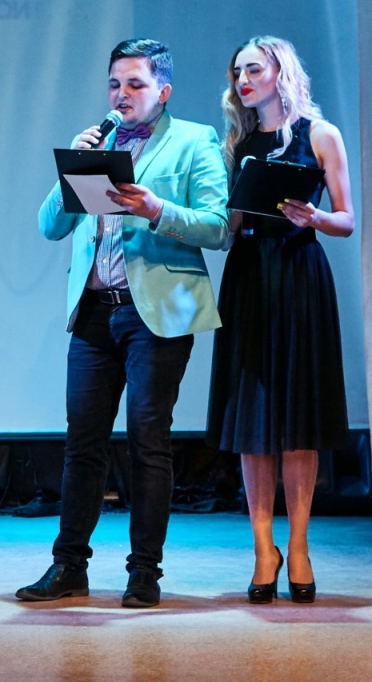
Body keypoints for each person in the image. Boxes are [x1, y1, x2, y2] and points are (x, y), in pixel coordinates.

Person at [16, 39, 230, 608]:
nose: (121, 95)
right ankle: (69, 566)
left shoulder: (194, 140)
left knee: (147, 440)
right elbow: (49, 227)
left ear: (163, 91)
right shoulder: (99, 142)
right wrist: (73, 164)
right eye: (114, 84)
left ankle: (144, 573)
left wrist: (156, 209)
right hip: (93, 310)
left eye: (135, 84)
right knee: (82, 443)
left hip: (153, 312)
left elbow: (218, 227)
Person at [207, 37, 353, 605]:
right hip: (249, 274)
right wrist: (229, 209)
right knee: (254, 418)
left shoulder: (321, 133)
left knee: (299, 415)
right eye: (237, 72)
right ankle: (262, 549)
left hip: (298, 273)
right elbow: (228, 228)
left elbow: (346, 220)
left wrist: (313, 215)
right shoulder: (236, 142)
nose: (242, 80)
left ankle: (299, 546)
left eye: (253, 69)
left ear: (280, 72)